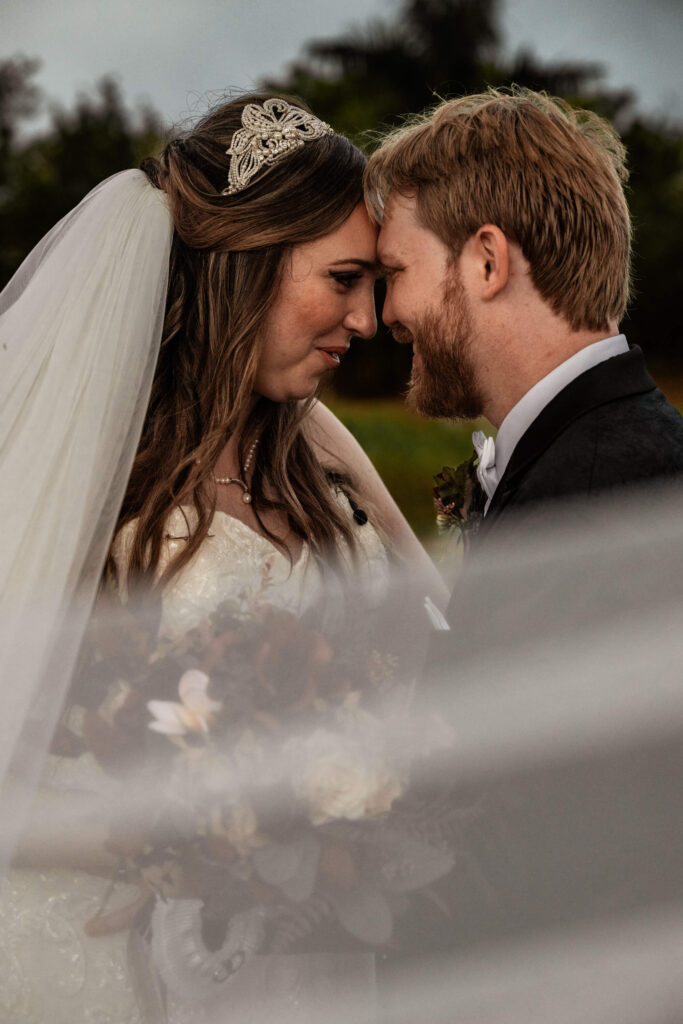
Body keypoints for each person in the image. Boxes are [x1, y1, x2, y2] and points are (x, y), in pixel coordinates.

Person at [0, 92, 445, 1024]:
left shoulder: (313, 453)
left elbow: (432, 637)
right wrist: (178, 845)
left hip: (289, 964)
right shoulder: (91, 471)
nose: (365, 321)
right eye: (343, 279)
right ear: (247, 267)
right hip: (93, 959)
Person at [364, 87, 683, 566]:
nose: (385, 313)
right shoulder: (623, 455)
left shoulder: (589, 516)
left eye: (395, 272)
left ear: (488, 263)